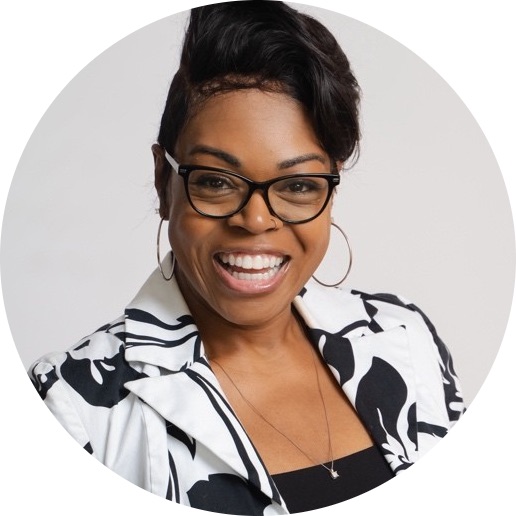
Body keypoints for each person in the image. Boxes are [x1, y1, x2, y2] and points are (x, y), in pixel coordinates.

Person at [29, 2, 464, 514]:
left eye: (297, 185)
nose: (256, 220)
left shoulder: (405, 338)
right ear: (163, 181)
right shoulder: (73, 403)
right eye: (216, 181)